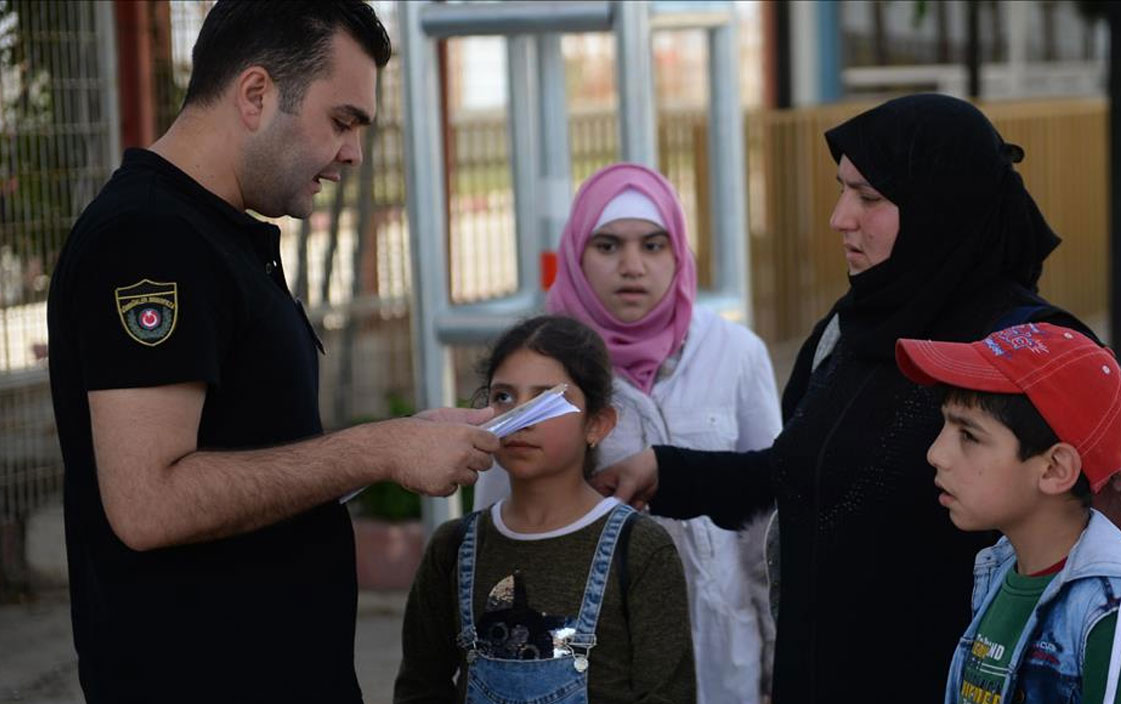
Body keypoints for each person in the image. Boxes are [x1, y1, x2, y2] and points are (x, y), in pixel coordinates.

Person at [592, 94, 1121, 701]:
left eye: (870, 198)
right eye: (843, 190)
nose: (840, 218)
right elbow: (800, 473)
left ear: (941, 207)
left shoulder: (1024, 345)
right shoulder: (848, 329)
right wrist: (665, 471)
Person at [45, 3, 499, 702]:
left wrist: (401, 441)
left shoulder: (213, 230)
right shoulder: (148, 239)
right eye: (342, 120)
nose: (352, 151)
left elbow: (253, 451)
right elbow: (148, 504)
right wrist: (376, 451)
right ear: (256, 94)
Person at [473, 163, 782, 703]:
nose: (633, 267)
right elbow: (498, 524)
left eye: (654, 245)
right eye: (609, 246)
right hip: (585, 654)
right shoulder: (537, 361)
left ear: (679, 251)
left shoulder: (736, 354)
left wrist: (781, 654)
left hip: (722, 650)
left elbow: (770, 517)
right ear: (577, 253)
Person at [896, 323, 1121, 704]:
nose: (936, 454)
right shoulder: (1001, 573)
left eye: (969, 436)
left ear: (1055, 469)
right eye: (946, 423)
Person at [395, 315, 695, 703]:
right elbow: (419, 688)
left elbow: (669, 695)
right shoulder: (454, 548)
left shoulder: (640, 549)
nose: (522, 418)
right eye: (504, 397)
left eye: (547, 400)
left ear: (597, 424)